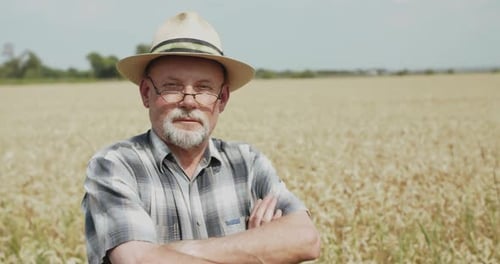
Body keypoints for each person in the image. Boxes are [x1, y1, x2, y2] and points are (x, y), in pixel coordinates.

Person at [82, 11, 320, 264]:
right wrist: (260, 246)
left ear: (223, 99)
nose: (188, 101)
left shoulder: (248, 163)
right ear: (146, 93)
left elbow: (307, 239)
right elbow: (138, 261)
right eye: (172, 86)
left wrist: (168, 252)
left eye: (204, 88)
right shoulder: (117, 165)